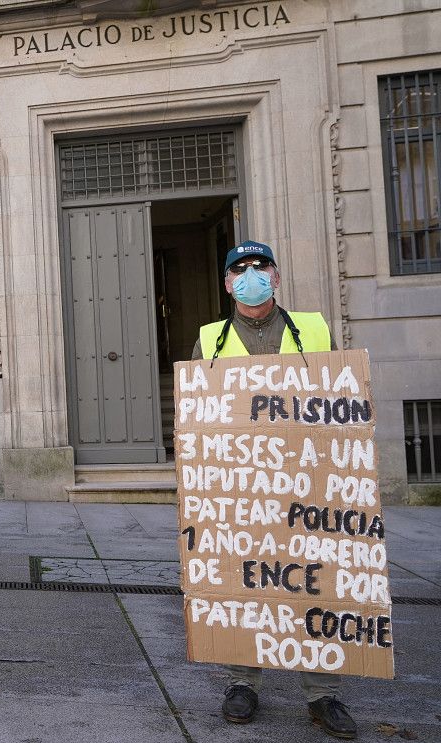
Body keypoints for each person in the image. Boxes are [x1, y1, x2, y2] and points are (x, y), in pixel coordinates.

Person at [191, 240, 357, 741]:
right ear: (227, 284)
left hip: (310, 481)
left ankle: (322, 693)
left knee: (313, 580)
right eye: (239, 269)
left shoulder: (313, 327)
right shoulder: (210, 339)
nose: (250, 275)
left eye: (259, 266)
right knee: (246, 581)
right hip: (241, 484)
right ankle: (243, 682)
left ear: (276, 277)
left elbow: (341, 395)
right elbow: (200, 414)